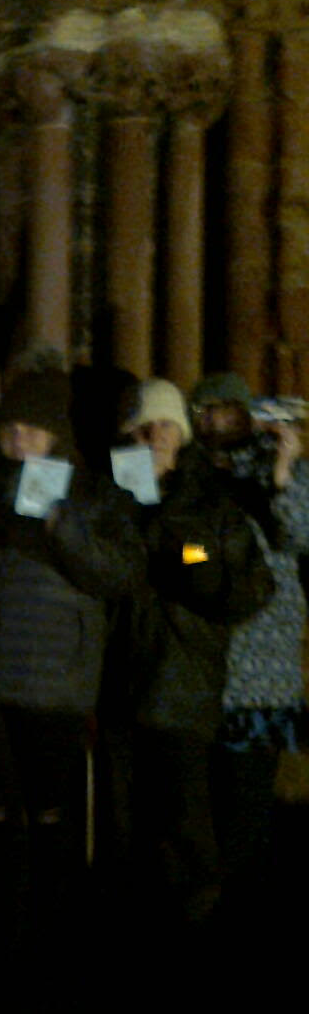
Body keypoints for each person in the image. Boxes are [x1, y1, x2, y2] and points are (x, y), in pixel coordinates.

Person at [0, 351, 143, 956]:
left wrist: (61, 525)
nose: (20, 437)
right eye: (12, 426)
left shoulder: (94, 494)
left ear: (58, 432)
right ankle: (3, 937)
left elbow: (120, 573)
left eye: (33, 426)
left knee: (51, 816)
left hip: (52, 683)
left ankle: (56, 938)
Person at [115, 379, 273, 930]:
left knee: (186, 823)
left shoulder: (206, 499)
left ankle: (201, 938)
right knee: (130, 824)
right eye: (144, 424)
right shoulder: (115, 492)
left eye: (166, 424)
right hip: (121, 680)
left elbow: (246, 585)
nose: (155, 435)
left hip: (182, 675)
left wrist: (192, 561)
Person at [189, 371, 309, 934]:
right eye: (203, 410)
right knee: (207, 810)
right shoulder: (196, 472)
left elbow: (298, 535)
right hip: (204, 660)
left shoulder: (283, 471)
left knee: (248, 811)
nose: (212, 420)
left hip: (262, 667)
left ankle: (248, 926)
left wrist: (284, 472)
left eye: (224, 409)